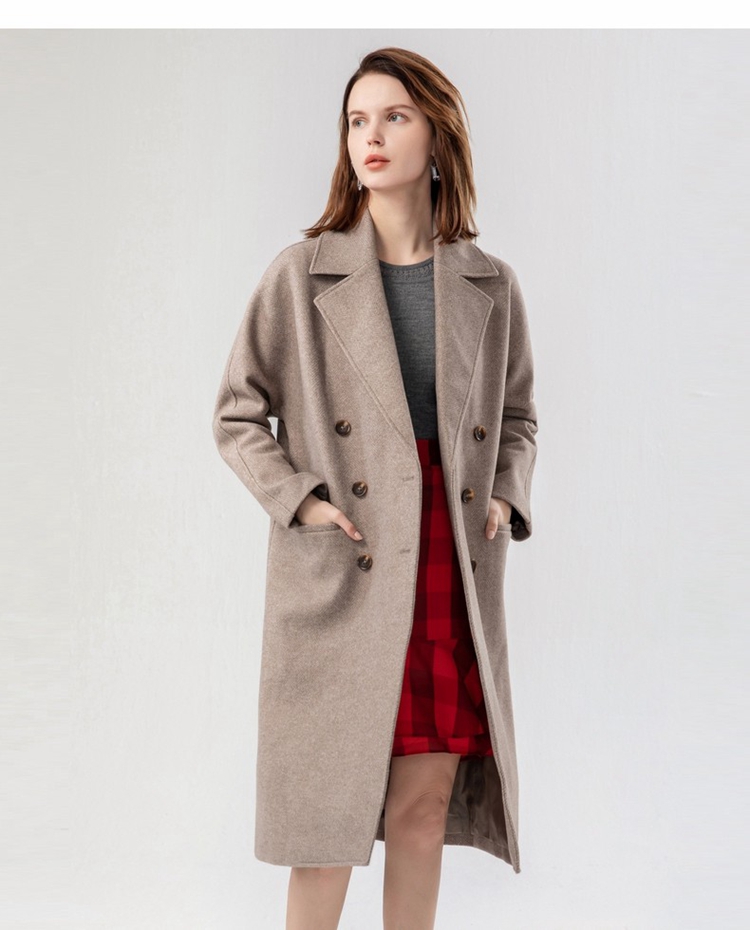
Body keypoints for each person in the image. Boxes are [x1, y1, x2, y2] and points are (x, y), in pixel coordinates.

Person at [213, 47, 538, 930]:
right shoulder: (302, 273)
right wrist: (302, 501)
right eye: (358, 120)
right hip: (347, 557)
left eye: (394, 116)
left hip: (447, 555)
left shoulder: (490, 284)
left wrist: (504, 495)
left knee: (422, 810)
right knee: (325, 829)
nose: (372, 136)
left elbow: (517, 417)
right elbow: (237, 413)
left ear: (437, 133)